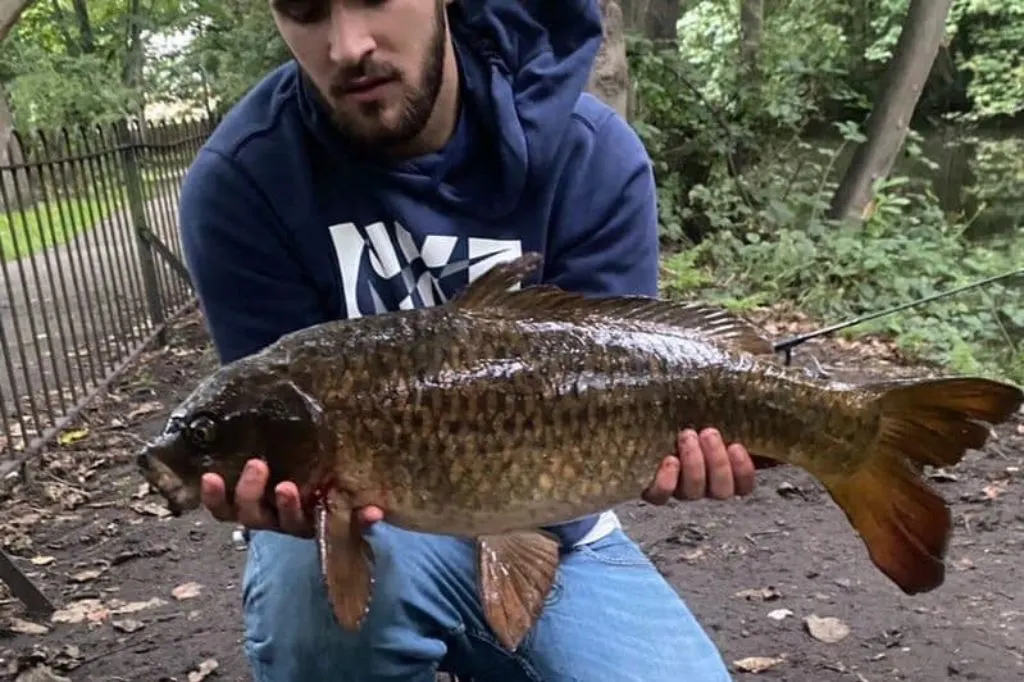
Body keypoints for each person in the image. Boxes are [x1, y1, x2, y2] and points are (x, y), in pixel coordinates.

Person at [177, 0, 759, 680]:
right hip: (363, 526)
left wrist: (658, 455)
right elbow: (279, 431)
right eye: (304, 8)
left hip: (558, 524)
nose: (347, 45)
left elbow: (631, 381)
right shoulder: (243, 182)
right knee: (315, 612)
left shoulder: (593, 154)